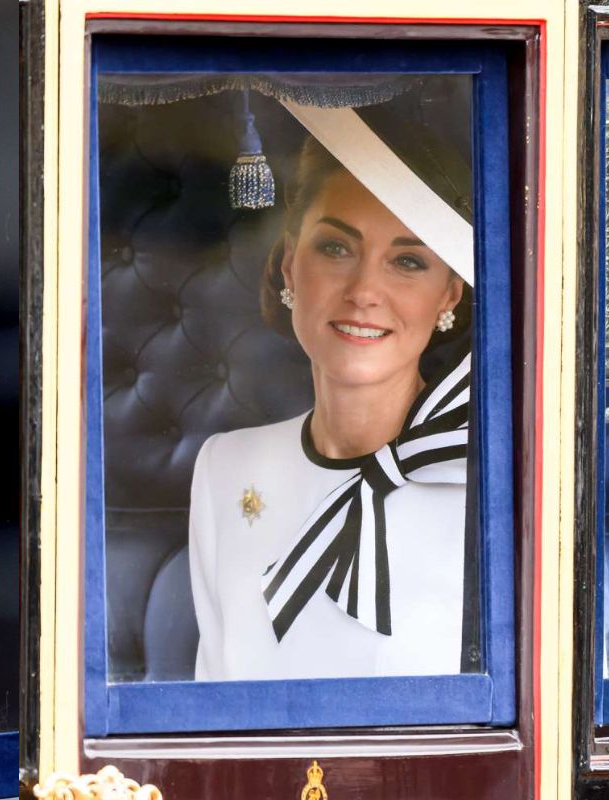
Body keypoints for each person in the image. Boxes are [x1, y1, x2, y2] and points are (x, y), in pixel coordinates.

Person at [189, 131, 474, 682]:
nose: (365, 290)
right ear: (290, 263)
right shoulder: (224, 468)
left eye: (408, 261)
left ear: (449, 295)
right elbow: (212, 715)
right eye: (336, 248)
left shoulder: (487, 483)